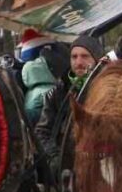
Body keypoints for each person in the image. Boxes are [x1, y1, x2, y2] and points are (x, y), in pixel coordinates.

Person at [34, 34, 104, 167]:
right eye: (74, 57)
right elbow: (42, 132)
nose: (78, 62)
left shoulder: (106, 90)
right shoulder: (58, 92)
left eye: (85, 56)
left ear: (96, 60)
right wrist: (54, 159)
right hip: (65, 169)